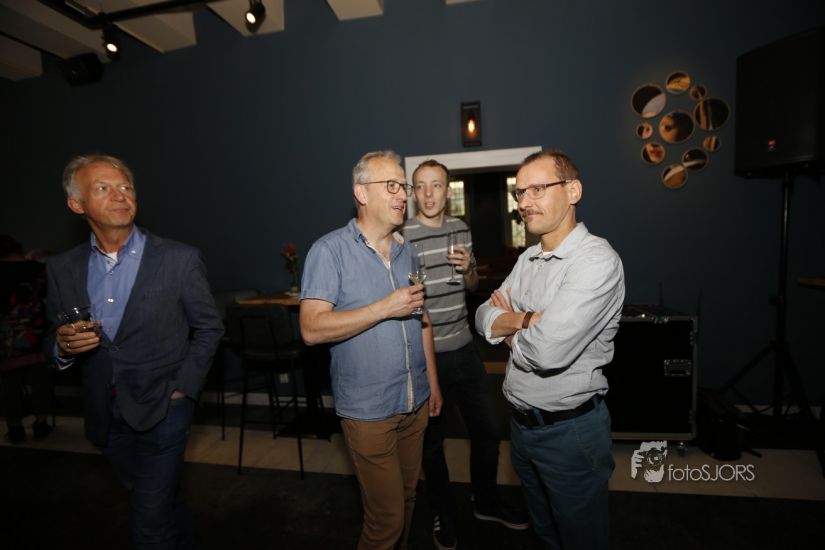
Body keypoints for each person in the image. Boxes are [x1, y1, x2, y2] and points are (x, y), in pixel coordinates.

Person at [44, 154, 224, 549]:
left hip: (164, 408)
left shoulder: (179, 259)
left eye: (126, 187)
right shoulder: (62, 268)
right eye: (103, 188)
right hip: (104, 413)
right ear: (76, 204)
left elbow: (210, 328)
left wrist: (183, 390)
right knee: (157, 501)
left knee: (148, 526)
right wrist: (62, 346)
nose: (120, 195)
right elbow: (53, 334)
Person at [475, 150, 625, 550]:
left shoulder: (596, 261)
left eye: (537, 189)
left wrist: (508, 327)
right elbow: (482, 315)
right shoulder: (528, 258)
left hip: (570, 434)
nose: (524, 202)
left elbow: (546, 353)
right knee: (544, 534)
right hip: (521, 428)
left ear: (573, 191)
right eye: (520, 192)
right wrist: (527, 320)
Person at [300, 150, 443, 550]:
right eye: (392, 186)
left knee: (408, 498)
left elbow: (422, 319)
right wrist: (384, 308)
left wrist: (432, 382)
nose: (403, 195)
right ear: (361, 193)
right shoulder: (329, 251)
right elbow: (310, 329)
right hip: (368, 411)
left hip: (415, 402)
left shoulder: (407, 251)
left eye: (404, 186)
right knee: (386, 520)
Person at [401, 160, 528, 549]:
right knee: (432, 444)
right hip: (427, 358)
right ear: (413, 192)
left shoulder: (460, 229)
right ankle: (443, 512)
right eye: (421, 186)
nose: (428, 194)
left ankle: (485, 502)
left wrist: (470, 267)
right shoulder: (402, 237)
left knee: (488, 431)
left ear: (446, 188)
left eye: (436, 185)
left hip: (465, 350)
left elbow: (472, 285)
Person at [0, 234, 52, 443]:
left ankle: (15, 427)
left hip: (6, 337)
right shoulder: (40, 270)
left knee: (9, 385)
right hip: (37, 333)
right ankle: (41, 423)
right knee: (41, 382)